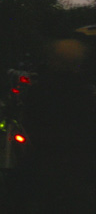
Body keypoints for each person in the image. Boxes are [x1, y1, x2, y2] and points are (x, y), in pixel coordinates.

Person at [16, 39, 96, 214]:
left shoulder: (41, 91)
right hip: (78, 168)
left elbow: (29, 122)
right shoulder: (85, 93)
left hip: (46, 164)